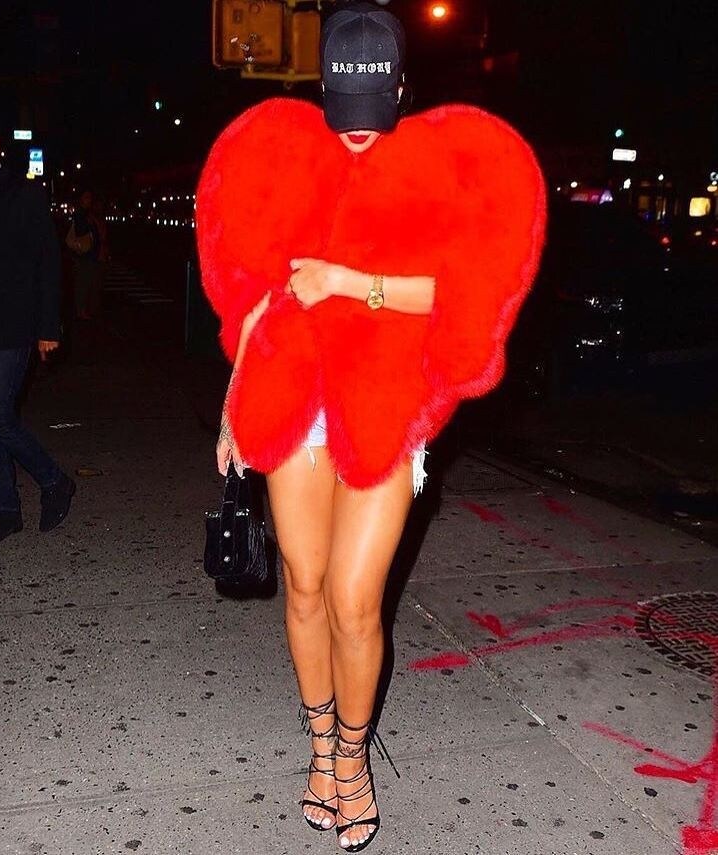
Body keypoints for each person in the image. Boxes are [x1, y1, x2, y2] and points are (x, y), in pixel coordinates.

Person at [196, 3, 546, 850]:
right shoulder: (297, 158)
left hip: (384, 404)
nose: (355, 129)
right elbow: (259, 297)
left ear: (399, 91)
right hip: (293, 399)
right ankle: (321, 748)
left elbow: (461, 292)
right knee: (304, 583)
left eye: (372, 109)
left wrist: (351, 282)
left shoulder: (428, 167)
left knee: (355, 601)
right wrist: (233, 406)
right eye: (341, 109)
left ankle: (353, 759)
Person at [0, 117, 75, 546]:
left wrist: (48, 326)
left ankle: (54, 481)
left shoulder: (24, 192)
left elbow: (47, 261)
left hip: (14, 324)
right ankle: (7, 509)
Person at [69, 189, 102, 321]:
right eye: (86, 197)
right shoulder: (80, 214)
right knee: (83, 282)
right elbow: (80, 230)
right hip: (84, 253)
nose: (89, 200)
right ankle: (81, 310)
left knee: (88, 282)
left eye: (89, 198)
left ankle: (84, 309)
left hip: (89, 253)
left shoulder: (88, 213)